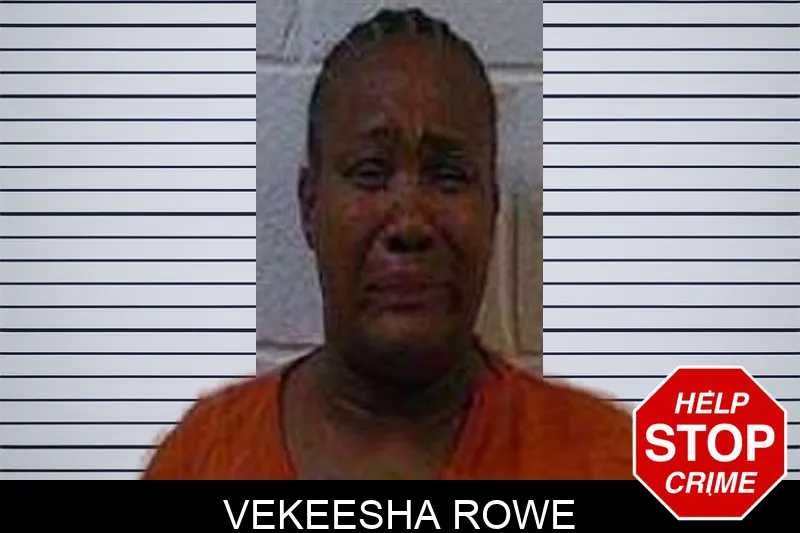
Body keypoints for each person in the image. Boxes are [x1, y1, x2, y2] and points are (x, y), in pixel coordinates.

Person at [142, 8, 633, 480]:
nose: (410, 223)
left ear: (493, 208)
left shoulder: (606, 457)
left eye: (448, 176)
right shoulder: (200, 460)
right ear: (310, 206)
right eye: (370, 172)